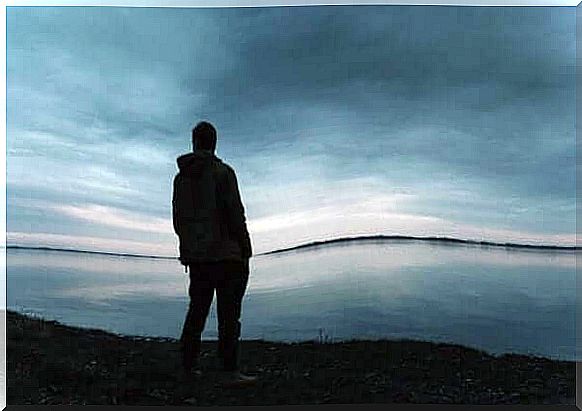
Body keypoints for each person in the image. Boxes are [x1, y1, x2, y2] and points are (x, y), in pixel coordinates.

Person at [172, 121, 256, 385]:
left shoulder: (181, 178)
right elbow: (235, 214)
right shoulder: (223, 172)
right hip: (227, 256)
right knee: (229, 315)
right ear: (214, 142)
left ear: (194, 142)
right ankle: (229, 371)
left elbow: (178, 220)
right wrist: (246, 247)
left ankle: (187, 367)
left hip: (198, 258)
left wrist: (190, 247)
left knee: (196, 311)